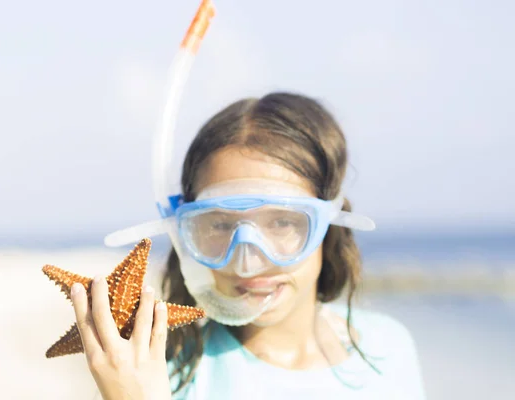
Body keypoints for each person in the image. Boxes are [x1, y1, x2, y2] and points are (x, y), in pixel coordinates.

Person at [71, 92, 427, 399]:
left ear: (328, 224)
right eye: (220, 225)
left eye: (283, 222)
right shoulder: (162, 378)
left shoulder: (389, 348)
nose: (248, 261)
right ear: (184, 236)